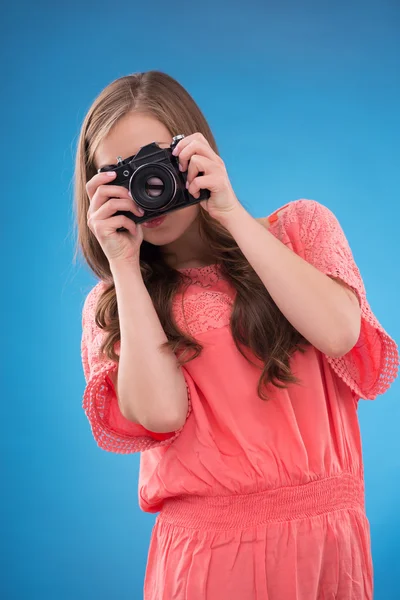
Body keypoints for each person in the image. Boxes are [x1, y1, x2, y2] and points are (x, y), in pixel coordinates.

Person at [75, 70, 398, 600]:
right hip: (208, 562)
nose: (146, 187)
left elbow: (341, 333)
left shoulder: (300, 229)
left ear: (194, 147)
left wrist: (227, 210)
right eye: (118, 174)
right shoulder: (113, 307)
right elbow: (159, 414)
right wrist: (125, 266)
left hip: (330, 547)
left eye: (154, 162)